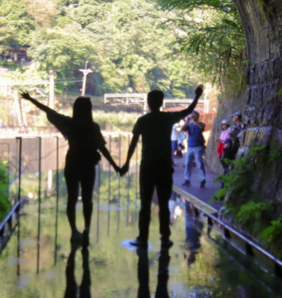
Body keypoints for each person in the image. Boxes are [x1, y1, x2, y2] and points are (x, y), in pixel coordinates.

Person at [20, 91, 122, 246]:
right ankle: (86, 228)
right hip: (88, 165)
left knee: (71, 198)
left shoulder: (68, 123)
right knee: (87, 199)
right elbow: (102, 148)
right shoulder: (93, 127)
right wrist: (115, 166)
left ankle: (74, 230)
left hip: (72, 162)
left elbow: (48, 111)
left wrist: (30, 99)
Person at [120, 85, 204, 249]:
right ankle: (165, 238)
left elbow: (133, 144)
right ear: (161, 102)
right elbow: (189, 110)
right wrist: (197, 96)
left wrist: (126, 164)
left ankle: (142, 238)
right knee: (164, 203)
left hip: (148, 166)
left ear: (148, 102)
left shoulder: (143, 120)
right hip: (165, 166)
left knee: (145, 203)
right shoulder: (168, 118)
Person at [182, 111, 207, 188]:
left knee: (200, 164)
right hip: (190, 147)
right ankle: (187, 179)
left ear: (197, 116)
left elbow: (201, 128)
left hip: (198, 147)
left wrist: (195, 121)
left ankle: (202, 180)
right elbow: (182, 129)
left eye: (194, 115)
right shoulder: (189, 125)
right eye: (192, 115)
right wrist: (187, 121)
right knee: (187, 164)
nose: (193, 116)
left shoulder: (201, 124)